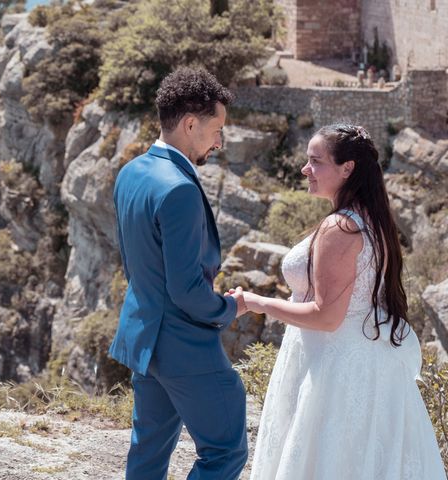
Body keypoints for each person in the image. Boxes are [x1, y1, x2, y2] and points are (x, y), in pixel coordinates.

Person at [240, 124, 446, 479]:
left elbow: (326, 316)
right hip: (364, 363)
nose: (306, 169)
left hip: (334, 371)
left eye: (315, 161)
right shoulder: (370, 220)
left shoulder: (341, 228)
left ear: (347, 168)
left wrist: (258, 302)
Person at [109, 67, 248, 480]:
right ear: (190, 124)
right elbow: (187, 291)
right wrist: (228, 306)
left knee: (148, 455)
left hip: (143, 338)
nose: (220, 140)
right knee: (225, 452)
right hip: (184, 345)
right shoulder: (180, 189)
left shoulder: (131, 172)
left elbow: (136, 261)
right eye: (217, 128)